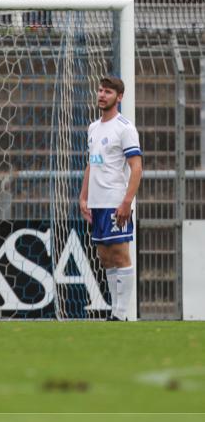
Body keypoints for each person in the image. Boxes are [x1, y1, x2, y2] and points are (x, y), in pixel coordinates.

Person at [80, 76, 143, 321]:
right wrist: (84, 196)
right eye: (100, 90)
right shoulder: (93, 128)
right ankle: (115, 311)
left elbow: (136, 167)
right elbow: (91, 163)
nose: (102, 95)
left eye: (107, 92)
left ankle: (121, 314)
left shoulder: (124, 128)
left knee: (119, 254)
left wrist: (127, 201)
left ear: (119, 97)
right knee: (105, 258)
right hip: (97, 203)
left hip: (115, 201)